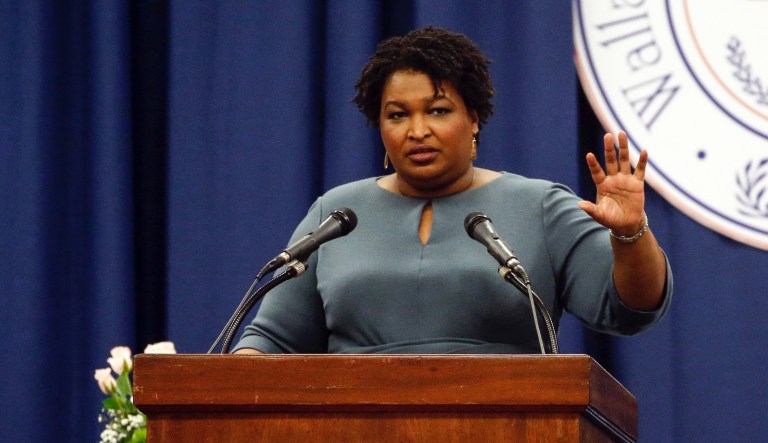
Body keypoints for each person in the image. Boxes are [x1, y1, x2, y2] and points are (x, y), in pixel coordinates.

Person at [233, 26, 671, 355]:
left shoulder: (540, 206)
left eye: (438, 111)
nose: (417, 130)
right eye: (397, 115)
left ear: (474, 118)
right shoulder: (336, 213)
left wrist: (630, 233)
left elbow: (631, 308)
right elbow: (272, 339)